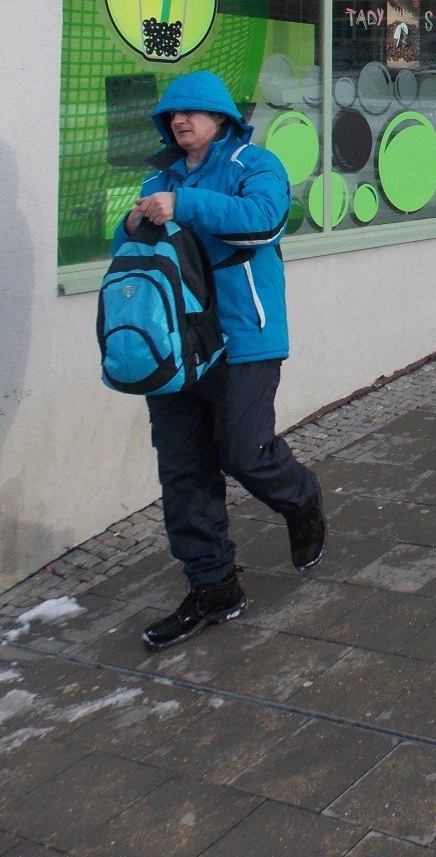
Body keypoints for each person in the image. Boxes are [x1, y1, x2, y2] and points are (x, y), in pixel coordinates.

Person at [117, 70, 325, 651]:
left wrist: (183, 203)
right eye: (171, 116)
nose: (180, 122)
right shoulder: (157, 177)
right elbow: (126, 247)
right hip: (175, 347)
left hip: (244, 339)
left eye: (192, 113)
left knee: (243, 452)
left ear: (221, 118)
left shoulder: (254, 164)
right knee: (183, 469)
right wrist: (132, 223)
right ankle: (213, 587)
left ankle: (300, 496)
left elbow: (263, 220)